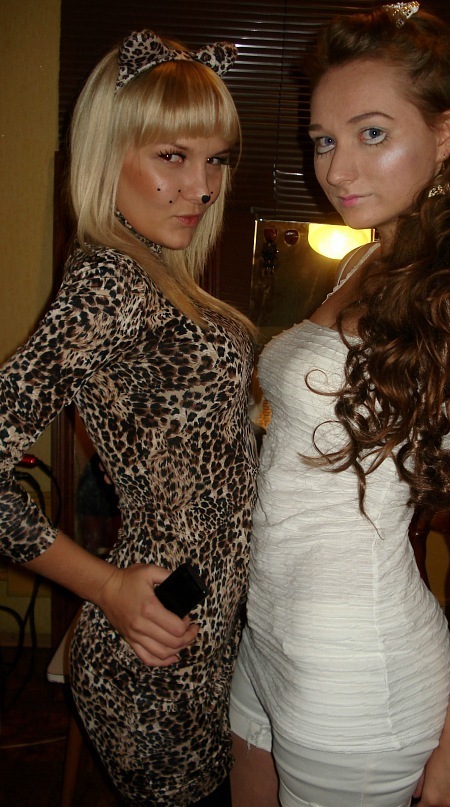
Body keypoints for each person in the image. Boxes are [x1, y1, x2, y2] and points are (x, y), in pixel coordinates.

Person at [229, 4, 450, 806]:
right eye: (324, 140)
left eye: (371, 133)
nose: (338, 168)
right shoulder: (359, 264)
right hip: (268, 641)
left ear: (444, 135)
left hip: (358, 676)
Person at [0, 29, 258, 806]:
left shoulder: (158, 274)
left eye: (215, 159)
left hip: (201, 636)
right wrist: (107, 587)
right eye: (172, 156)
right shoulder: (109, 280)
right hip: (153, 651)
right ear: (106, 153)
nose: (201, 187)